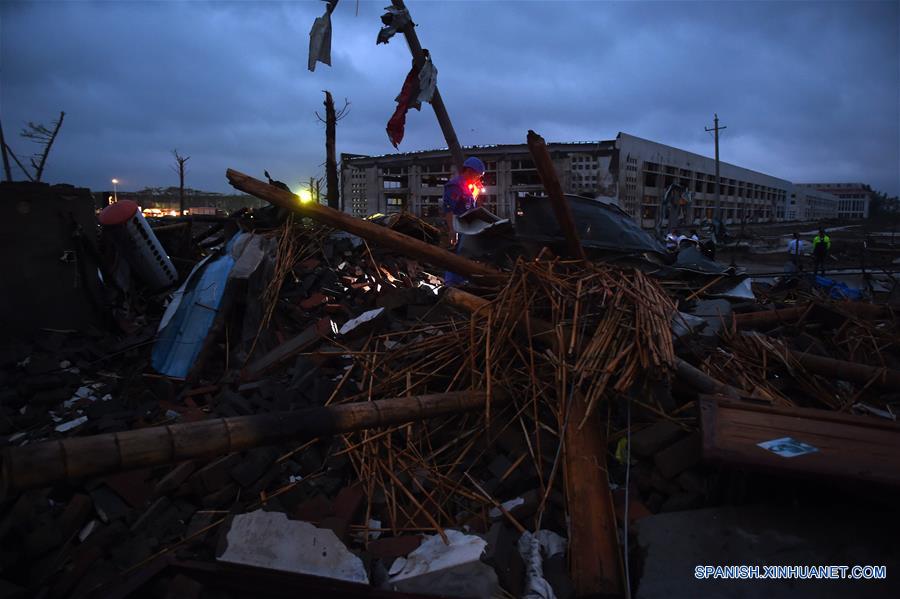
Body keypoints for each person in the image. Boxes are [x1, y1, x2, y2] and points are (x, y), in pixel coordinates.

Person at [442, 156, 485, 285]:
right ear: (470, 171)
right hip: (458, 227)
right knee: (456, 257)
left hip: (468, 228)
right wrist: (452, 230)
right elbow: (448, 209)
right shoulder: (455, 186)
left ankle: (463, 282)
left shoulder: (470, 187)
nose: (478, 178)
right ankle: (451, 284)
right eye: (477, 175)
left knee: (466, 256)